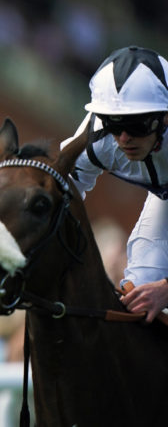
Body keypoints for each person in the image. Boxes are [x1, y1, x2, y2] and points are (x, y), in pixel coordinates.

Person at [62, 45, 168, 323]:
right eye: (112, 123)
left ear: (165, 117)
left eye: (137, 125)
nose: (123, 138)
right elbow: (59, 193)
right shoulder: (96, 139)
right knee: (140, 291)